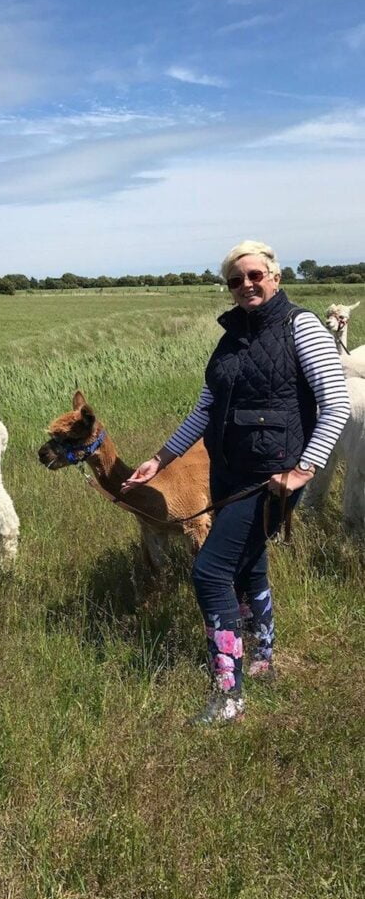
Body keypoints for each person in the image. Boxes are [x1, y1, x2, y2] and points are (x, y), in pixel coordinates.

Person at [123, 240, 350, 724]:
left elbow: (336, 404)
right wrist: (161, 458)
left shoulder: (301, 326)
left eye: (255, 275)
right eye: (235, 279)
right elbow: (206, 409)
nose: (246, 285)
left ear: (275, 277)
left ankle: (228, 693)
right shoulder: (230, 339)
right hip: (227, 471)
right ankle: (264, 655)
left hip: (273, 479)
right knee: (247, 565)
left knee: (208, 572)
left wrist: (302, 470)